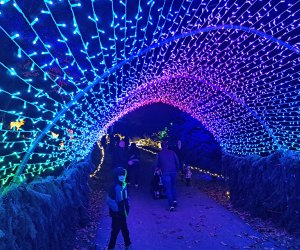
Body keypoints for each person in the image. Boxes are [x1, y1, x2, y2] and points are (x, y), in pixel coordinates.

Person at [106, 167, 132, 250]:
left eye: (123, 175)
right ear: (116, 176)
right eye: (120, 175)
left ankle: (128, 245)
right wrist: (116, 211)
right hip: (116, 213)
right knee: (115, 230)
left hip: (123, 211)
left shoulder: (124, 184)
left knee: (124, 229)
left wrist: (128, 206)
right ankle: (111, 247)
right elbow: (109, 200)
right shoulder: (114, 186)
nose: (122, 177)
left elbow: (126, 196)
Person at [155, 140, 180, 211]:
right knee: (173, 186)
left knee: (168, 188)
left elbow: (156, 165)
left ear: (161, 146)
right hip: (174, 171)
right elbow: (177, 162)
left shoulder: (159, 154)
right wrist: (177, 170)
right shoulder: (172, 153)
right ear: (167, 146)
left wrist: (157, 170)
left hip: (165, 172)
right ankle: (175, 201)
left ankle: (171, 205)